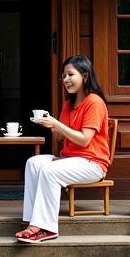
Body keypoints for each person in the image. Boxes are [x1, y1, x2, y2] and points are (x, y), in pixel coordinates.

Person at [16, 55, 110, 243]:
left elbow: (84, 140)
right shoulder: (70, 103)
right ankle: (32, 221)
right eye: (63, 75)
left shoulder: (94, 102)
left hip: (92, 164)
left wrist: (57, 124)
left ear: (84, 76)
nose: (65, 79)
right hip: (70, 159)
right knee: (33, 162)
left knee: (49, 170)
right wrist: (50, 125)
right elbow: (61, 137)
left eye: (70, 74)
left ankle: (47, 228)